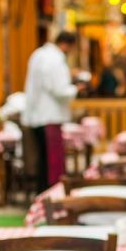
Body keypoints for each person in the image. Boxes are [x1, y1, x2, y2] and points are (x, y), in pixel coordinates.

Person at [22, 31, 83, 190]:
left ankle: (42, 197)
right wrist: (76, 88)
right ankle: (52, 198)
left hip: (36, 116)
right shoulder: (55, 60)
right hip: (50, 116)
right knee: (53, 164)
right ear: (66, 44)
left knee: (42, 161)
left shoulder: (38, 54)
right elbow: (60, 89)